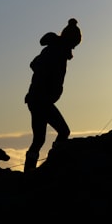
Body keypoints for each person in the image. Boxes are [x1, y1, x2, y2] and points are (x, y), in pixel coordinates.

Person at [23, 18, 81, 172]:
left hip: (37, 99)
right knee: (64, 131)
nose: (75, 47)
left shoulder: (56, 50)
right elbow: (35, 65)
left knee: (39, 138)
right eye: (75, 43)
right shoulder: (55, 51)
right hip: (41, 100)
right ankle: (53, 163)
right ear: (71, 40)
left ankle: (30, 170)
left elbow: (34, 64)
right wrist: (46, 81)